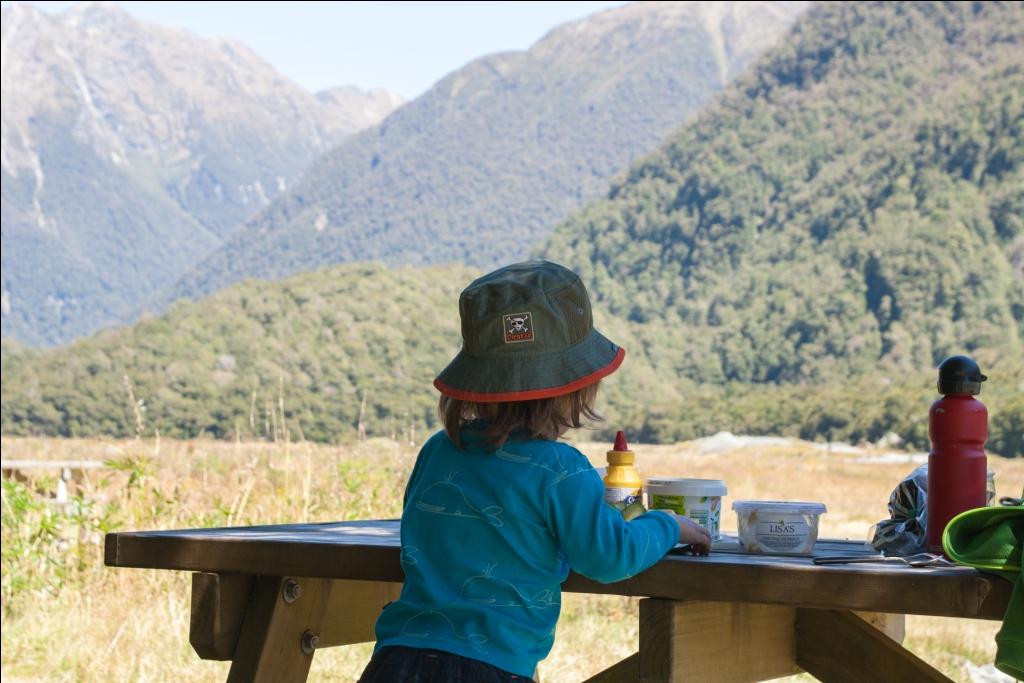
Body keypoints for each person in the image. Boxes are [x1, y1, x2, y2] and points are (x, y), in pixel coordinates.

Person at [359, 260, 711, 683]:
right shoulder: (562, 470)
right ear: (576, 385)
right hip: (489, 669)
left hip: (395, 659)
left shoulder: (439, 449)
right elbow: (609, 557)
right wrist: (668, 525)